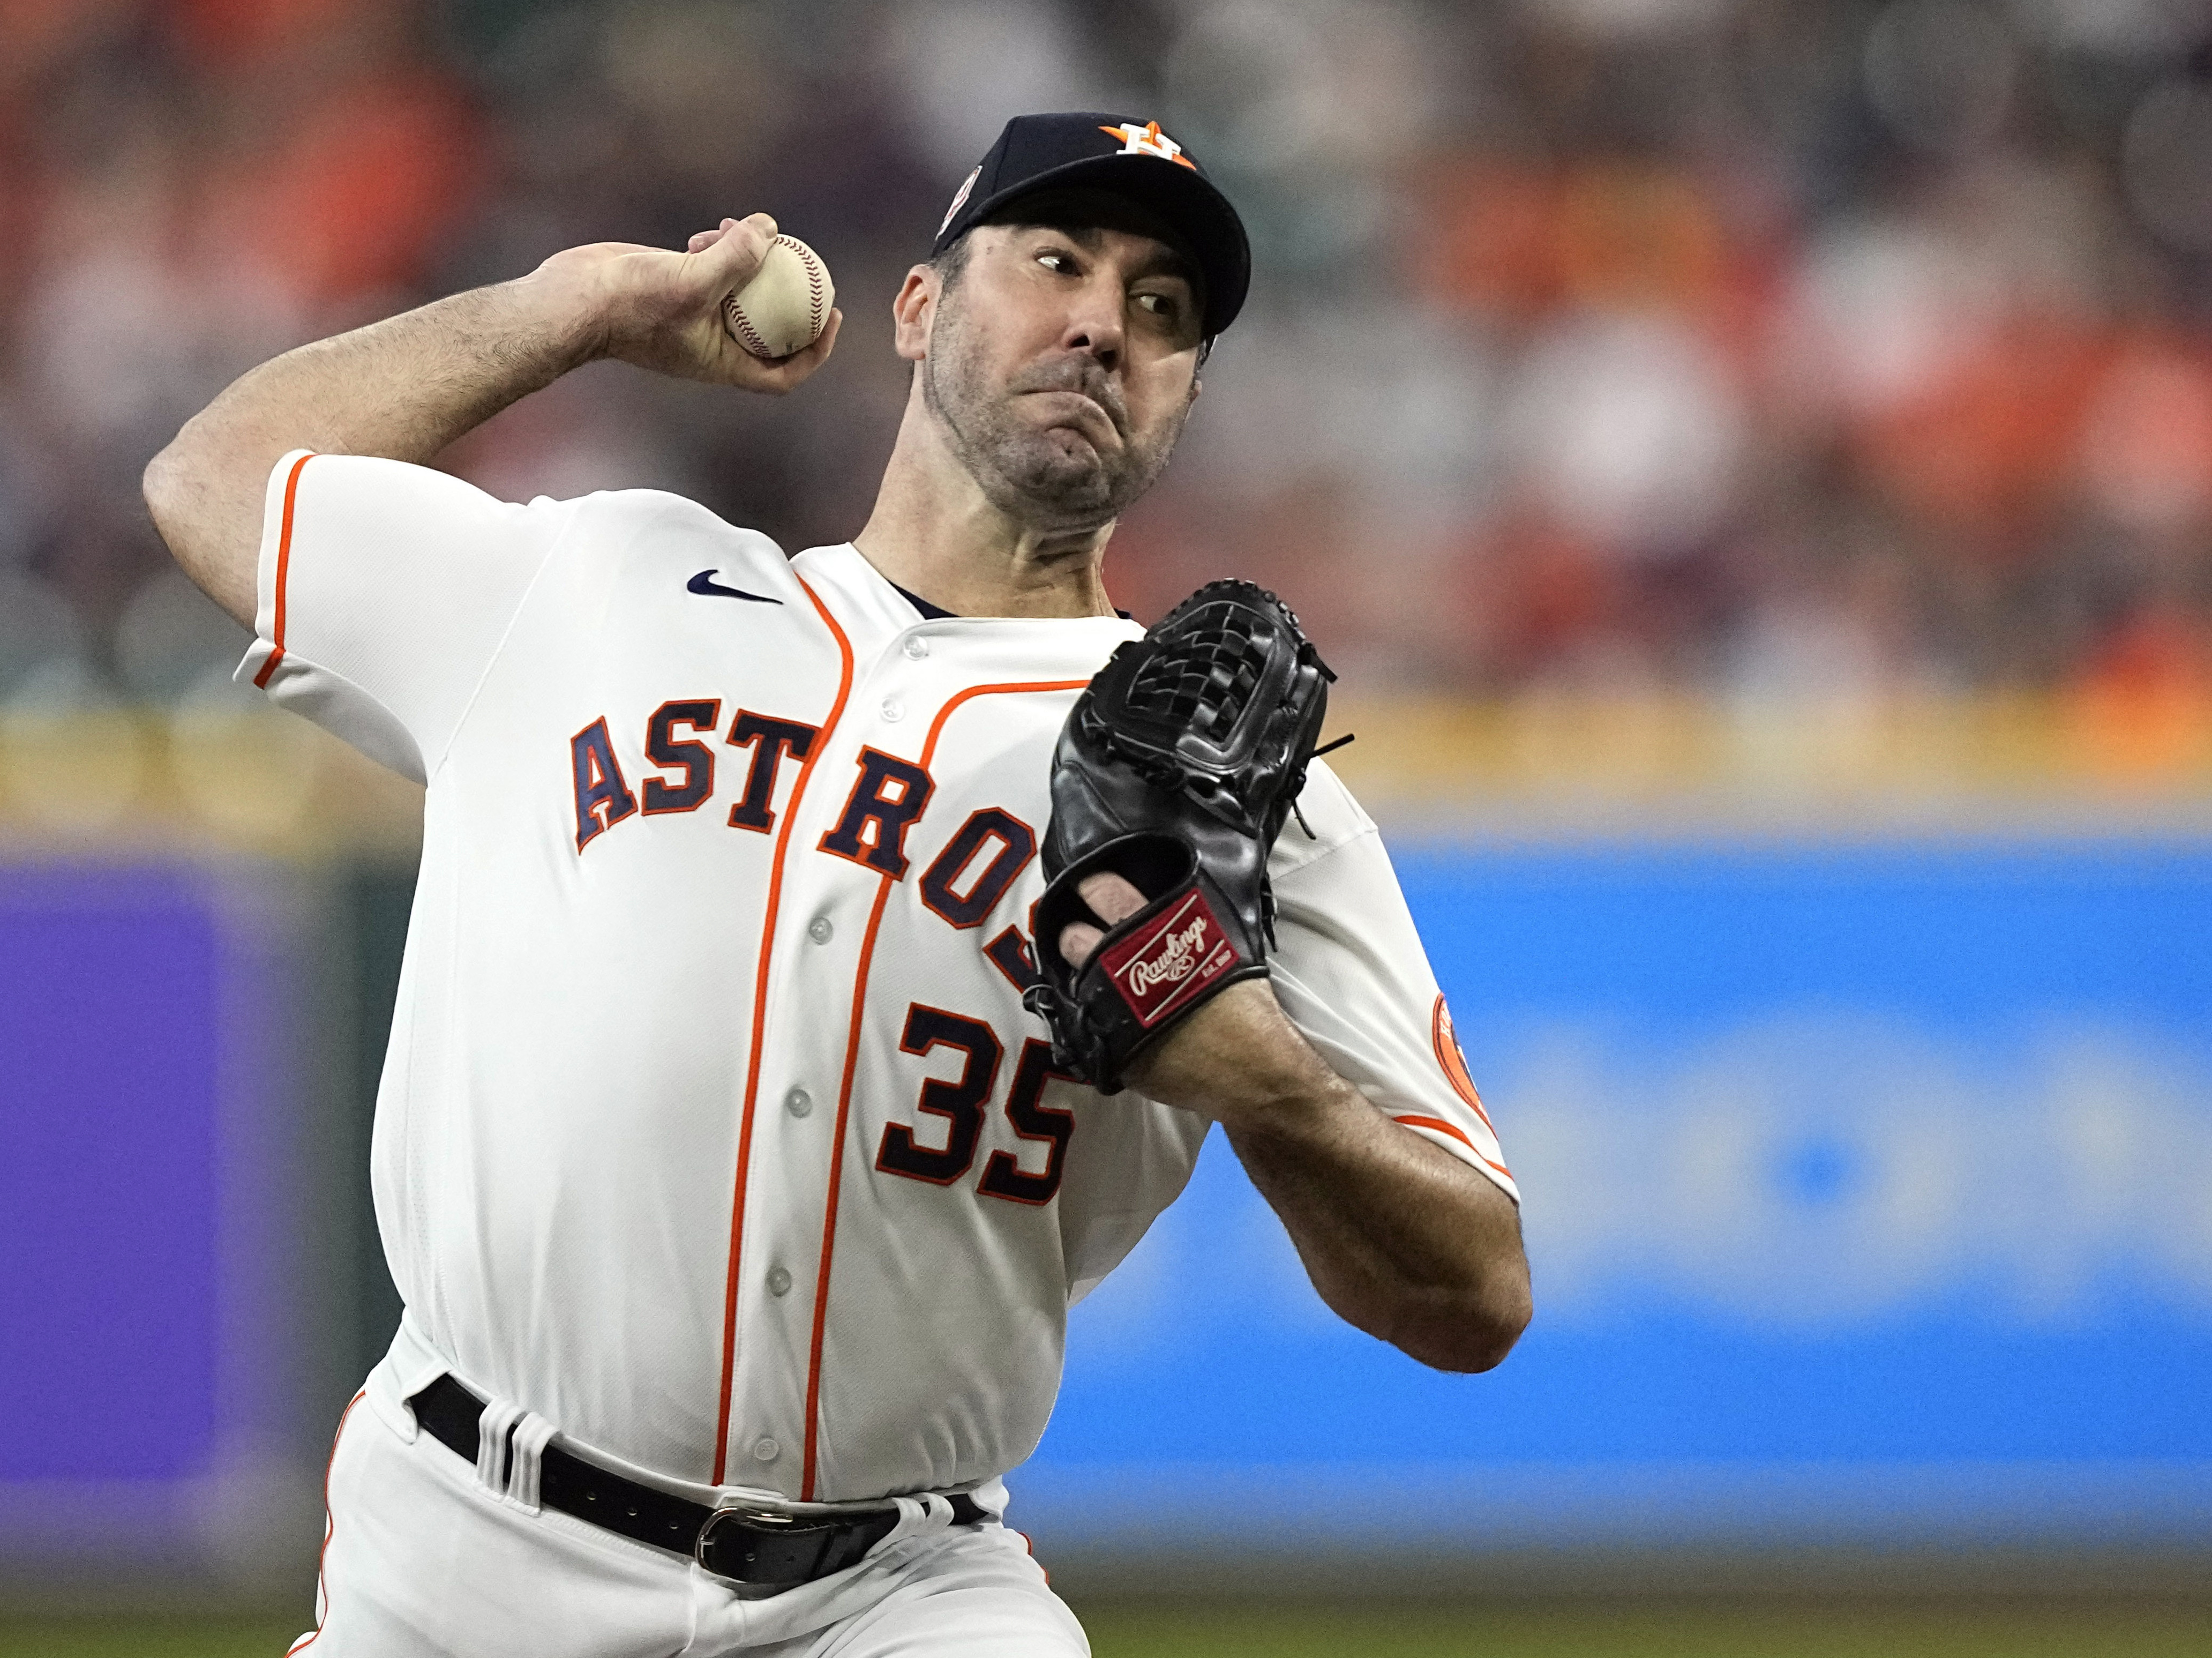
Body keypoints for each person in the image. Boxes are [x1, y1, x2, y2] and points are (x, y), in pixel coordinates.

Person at [145, 111, 1528, 1658]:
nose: (1100, 323)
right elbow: (212, 479)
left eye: (1162, 310)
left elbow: (1473, 1293)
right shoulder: (602, 585)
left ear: (1185, 394)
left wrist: (1272, 1090)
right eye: (1055, 261)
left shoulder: (1248, 802)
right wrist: (579, 308)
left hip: (888, 1598)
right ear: (919, 307)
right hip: (463, 1547)